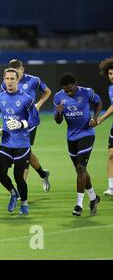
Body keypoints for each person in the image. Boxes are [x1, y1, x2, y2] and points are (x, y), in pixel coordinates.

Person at [0, 68, 40, 216]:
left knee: (19, 177)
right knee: (0, 173)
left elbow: (36, 119)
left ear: (18, 80)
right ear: (4, 80)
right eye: (7, 79)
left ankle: (24, 204)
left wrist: (22, 124)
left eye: (12, 79)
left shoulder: (26, 99)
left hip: (22, 145)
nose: (9, 82)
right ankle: (13, 193)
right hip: (6, 142)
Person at [54, 72, 102, 216]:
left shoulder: (87, 92)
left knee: (81, 168)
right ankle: (94, 198)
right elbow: (57, 121)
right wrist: (59, 112)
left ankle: (78, 205)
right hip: (71, 137)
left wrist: (95, 118)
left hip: (87, 134)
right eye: (65, 90)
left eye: (70, 89)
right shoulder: (58, 97)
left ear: (75, 84)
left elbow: (98, 102)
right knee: (81, 171)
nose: (68, 92)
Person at [0, 59, 51, 192]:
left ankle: (20, 188)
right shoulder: (7, 81)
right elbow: (2, 98)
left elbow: (47, 91)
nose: (16, 75)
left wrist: (39, 104)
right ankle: (43, 174)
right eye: (13, 72)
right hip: (13, 123)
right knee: (27, 153)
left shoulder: (34, 80)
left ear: (23, 69)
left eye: (18, 71)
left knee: (24, 153)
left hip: (29, 122)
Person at [97, 58, 113, 198]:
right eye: (110, 73)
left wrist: (101, 118)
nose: (112, 76)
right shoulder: (111, 88)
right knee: (111, 155)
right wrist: (101, 118)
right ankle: (111, 187)